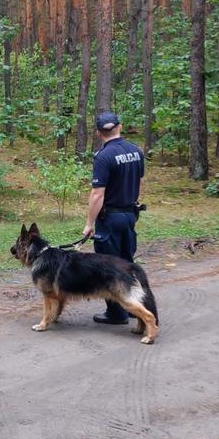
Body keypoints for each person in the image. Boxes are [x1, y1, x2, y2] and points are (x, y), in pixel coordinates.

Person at [82, 111, 145, 325]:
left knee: (108, 266)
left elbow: (98, 193)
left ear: (99, 133)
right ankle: (131, 306)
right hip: (130, 215)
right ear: (120, 126)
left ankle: (117, 313)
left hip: (110, 219)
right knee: (127, 263)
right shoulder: (136, 151)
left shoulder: (104, 156)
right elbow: (140, 182)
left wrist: (90, 224)